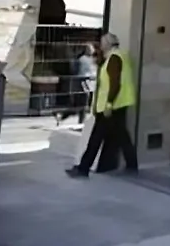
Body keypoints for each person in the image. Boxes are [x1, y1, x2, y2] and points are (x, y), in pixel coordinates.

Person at [66, 32, 137, 177]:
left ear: (108, 44)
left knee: (96, 138)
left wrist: (109, 104)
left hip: (109, 106)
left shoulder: (114, 59)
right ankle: (132, 164)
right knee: (122, 135)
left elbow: (115, 84)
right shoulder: (120, 56)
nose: (101, 46)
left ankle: (83, 168)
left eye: (103, 43)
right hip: (120, 104)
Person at [55, 43, 97, 125]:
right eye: (90, 49)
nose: (92, 50)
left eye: (92, 49)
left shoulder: (92, 59)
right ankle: (80, 121)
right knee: (82, 103)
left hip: (90, 82)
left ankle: (63, 117)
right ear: (86, 50)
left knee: (80, 104)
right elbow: (75, 71)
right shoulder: (82, 59)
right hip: (83, 81)